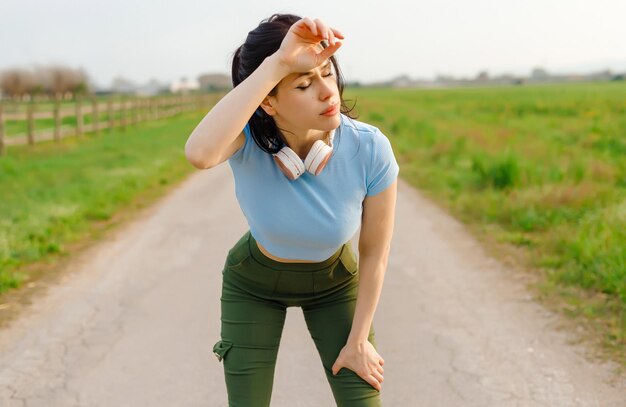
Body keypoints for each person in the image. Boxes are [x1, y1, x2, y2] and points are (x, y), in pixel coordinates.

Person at [185, 13, 399, 407]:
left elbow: (375, 253)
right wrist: (278, 63)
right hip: (253, 284)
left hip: (335, 285)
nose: (327, 92)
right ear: (267, 100)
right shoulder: (244, 139)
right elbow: (199, 154)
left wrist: (358, 342)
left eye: (327, 73)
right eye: (304, 82)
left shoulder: (369, 148)